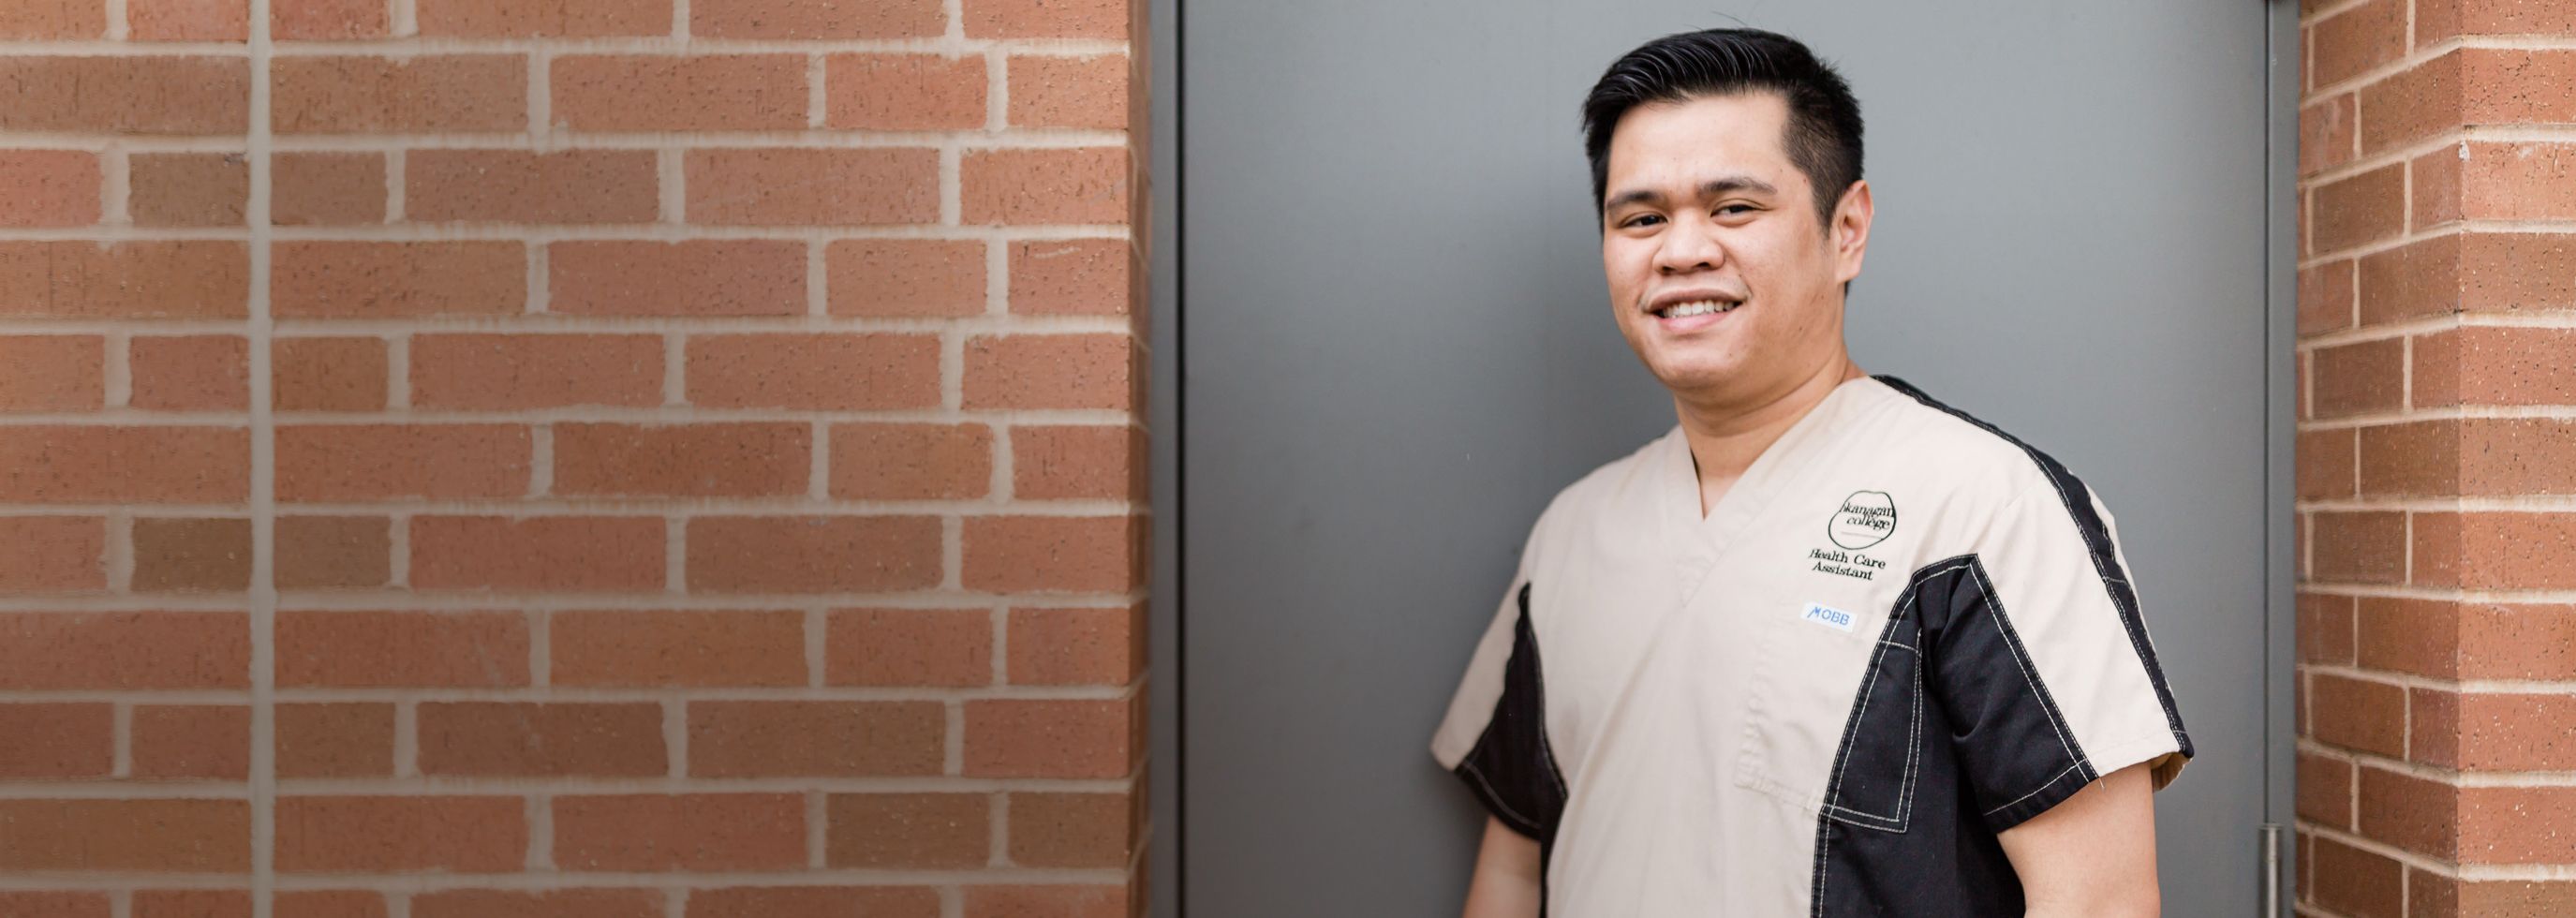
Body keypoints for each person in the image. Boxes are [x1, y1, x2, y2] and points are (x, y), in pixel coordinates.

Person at [1429, 27, 2192, 917]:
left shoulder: (1983, 509)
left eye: (1734, 208)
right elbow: (1517, 868)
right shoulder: (1573, 534)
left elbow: (2098, 900)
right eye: (1640, 218)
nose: (1680, 253)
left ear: (1848, 230)